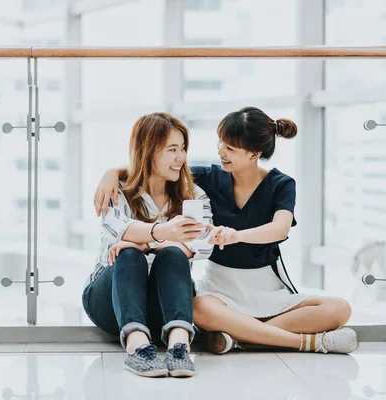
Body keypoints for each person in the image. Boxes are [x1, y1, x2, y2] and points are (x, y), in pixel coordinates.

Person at [94, 107, 358, 355]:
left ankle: (239, 338)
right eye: (220, 143)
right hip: (219, 289)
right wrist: (112, 172)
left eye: (230, 148)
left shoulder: (281, 184)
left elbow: (280, 229)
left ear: (253, 154)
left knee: (339, 309)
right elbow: (155, 166)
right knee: (198, 307)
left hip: (267, 285)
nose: (221, 152)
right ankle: (306, 343)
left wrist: (237, 235)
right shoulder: (210, 177)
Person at [83, 112, 214, 378]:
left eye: (183, 149)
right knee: (130, 253)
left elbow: (203, 244)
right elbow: (117, 230)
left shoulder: (194, 196)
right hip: (111, 301)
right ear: (149, 151)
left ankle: (179, 346)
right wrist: (163, 233)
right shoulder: (116, 190)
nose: (182, 158)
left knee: (173, 255)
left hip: (163, 305)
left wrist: (153, 243)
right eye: (173, 150)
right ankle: (137, 348)